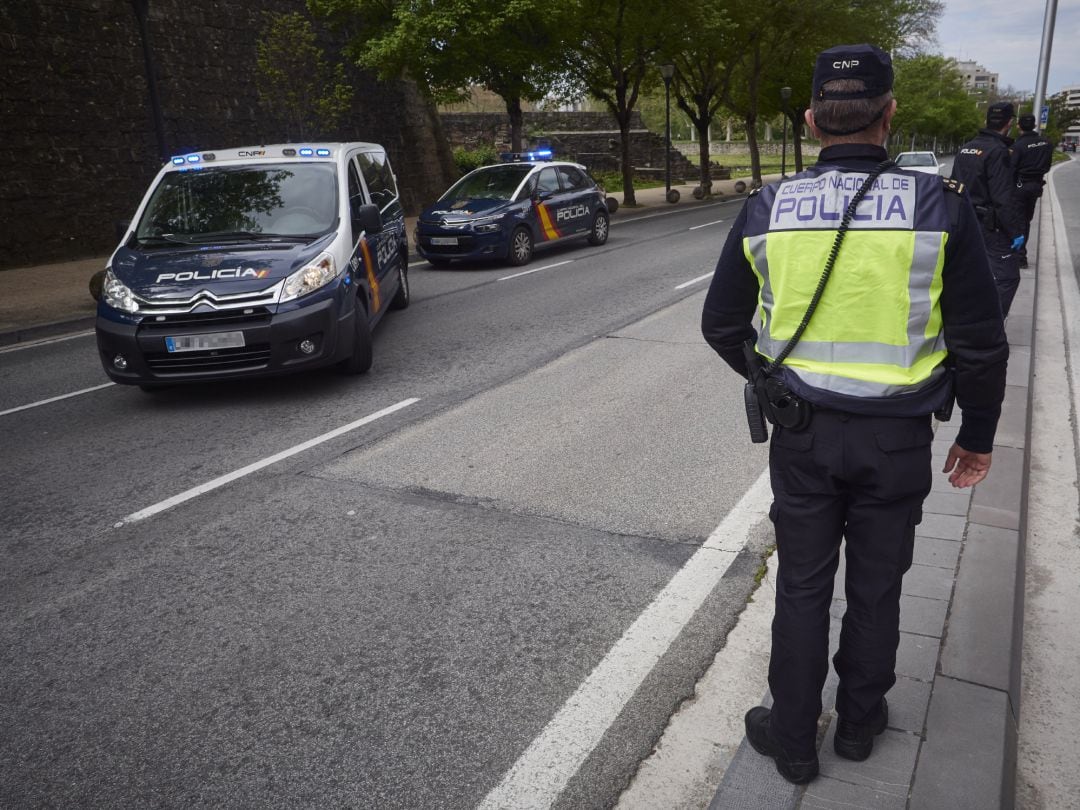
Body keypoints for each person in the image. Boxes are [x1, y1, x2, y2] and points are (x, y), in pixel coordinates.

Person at [701, 43, 1008, 785]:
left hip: (803, 438)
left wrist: (770, 384)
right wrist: (977, 435)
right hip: (897, 441)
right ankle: (861, 724)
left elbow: (721, 325)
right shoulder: (940, 209)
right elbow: (980, 342)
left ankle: (794, 738)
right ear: (890, 114)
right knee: (879, 585)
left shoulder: (768, 208)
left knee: (802, 585)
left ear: (811, 120)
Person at [951, 101, 1026, 316]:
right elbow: (1003, 198)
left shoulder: (966, 148)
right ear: (1009, 123)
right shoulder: (998, 151)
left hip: (964, 220)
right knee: (1008, 277)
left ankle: (965, 317)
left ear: (986, 121)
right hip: (990, 226)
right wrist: (1016, 232)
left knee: (970, 273)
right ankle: (988, 328)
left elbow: (954, 185)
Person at [1011, 113, 1054, 268]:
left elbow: (1012, 168)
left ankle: (1020, 257)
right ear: (1035, 125)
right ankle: (1019, 253)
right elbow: (1048, 165)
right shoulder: (1046, 143)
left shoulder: (1019, 146)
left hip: (1021, 186)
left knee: (1019, 222)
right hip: (1036, 186)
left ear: (1019, 126)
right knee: (1026, 221)